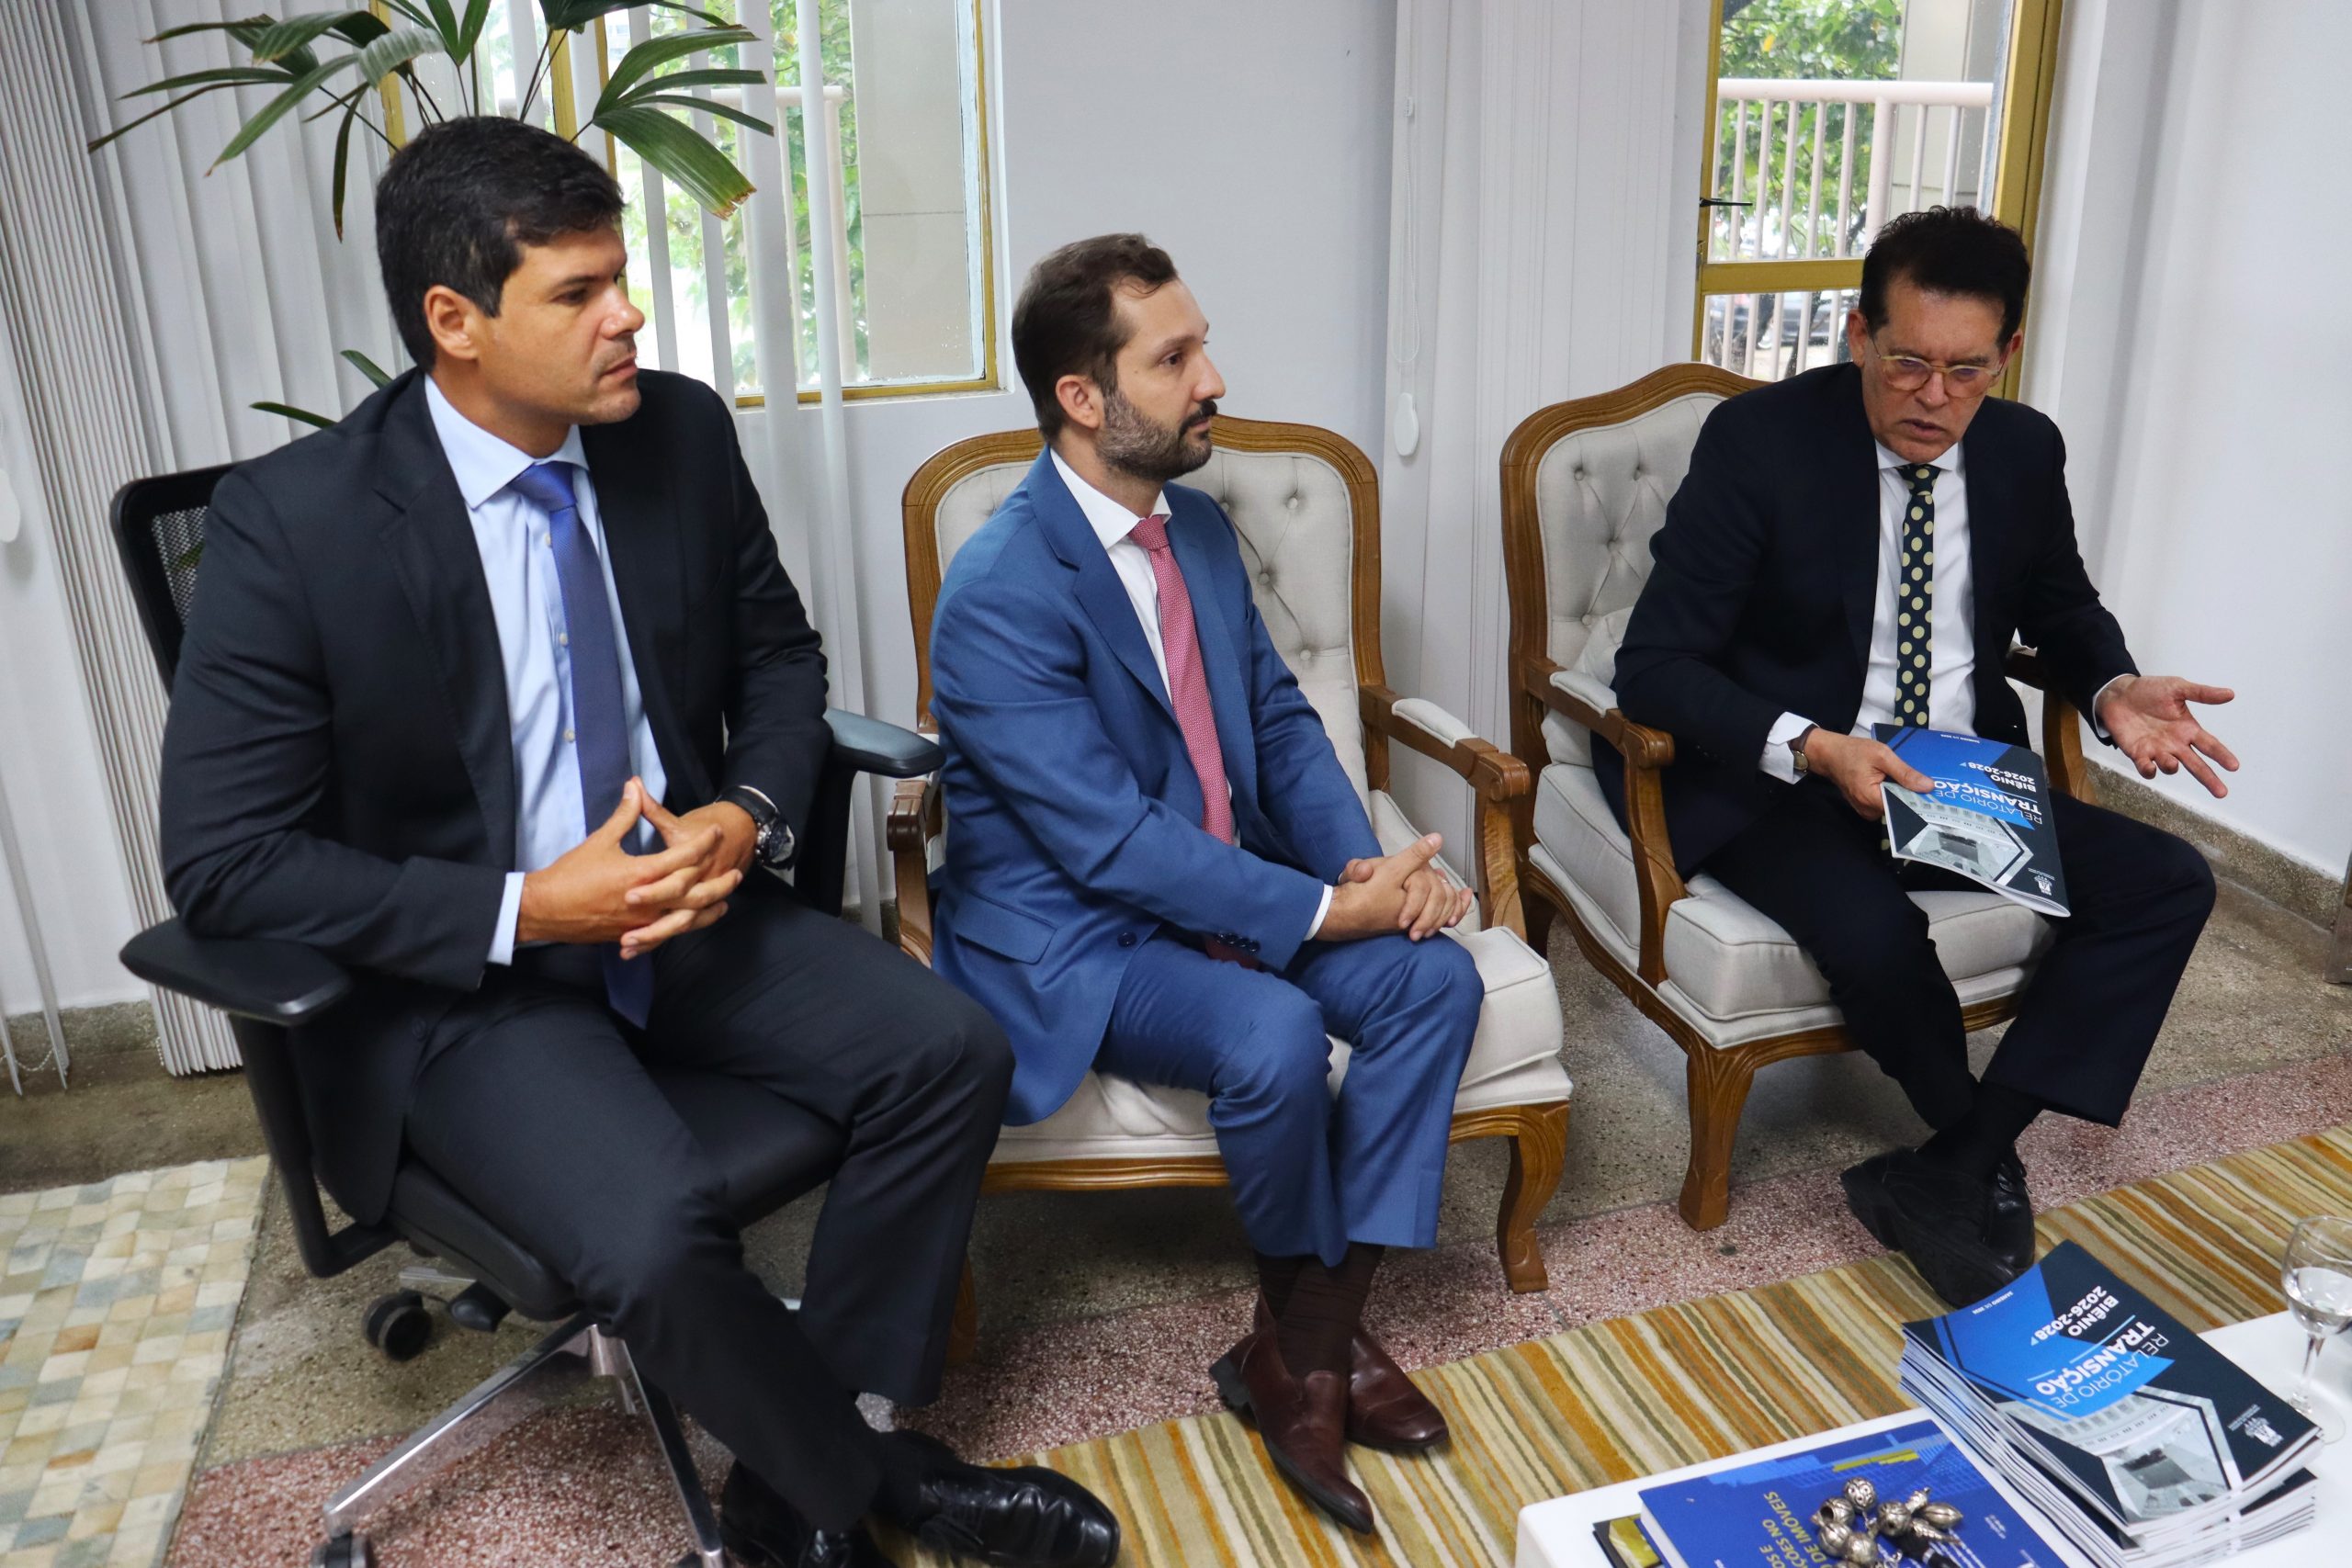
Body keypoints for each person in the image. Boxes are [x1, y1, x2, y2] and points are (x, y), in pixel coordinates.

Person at [158, 117, 1116, 1568]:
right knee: (660, 1233)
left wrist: (745, 814)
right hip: (470, 986)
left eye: (623, 276)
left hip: (687, 916)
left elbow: (780, 659)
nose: (630, 315)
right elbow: (226, 862)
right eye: (580, 290)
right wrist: (528, 906)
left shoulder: (675, 432)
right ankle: (872, 1483)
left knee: (951, 1052)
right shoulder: (297, 526)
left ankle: (789, 1479)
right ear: (455, 321)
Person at [926, 233, 1486, 1534]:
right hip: (1087, 932)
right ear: (1083, 396)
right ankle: (1318, 1354)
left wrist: (1362, 865)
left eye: (1202, 349)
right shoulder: (1000, 588)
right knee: (1274, 1030)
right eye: (1173, 359)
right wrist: (1321, 912)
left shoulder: (1202, 533)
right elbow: (1108, 843)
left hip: (1232, 884)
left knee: (1433, 984)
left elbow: (1279, 725)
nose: (1213, 380)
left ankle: (1301, 1348)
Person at [1603, 206, 2231, 1309]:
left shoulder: (2023, 449)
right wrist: (1814, 748)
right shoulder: (1761, 443)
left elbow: (2061, 608)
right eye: (1905, 363)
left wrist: (2110, 685)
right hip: (1782, 775)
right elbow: (1652, 666)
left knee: (2167, 882)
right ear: (1858, 335)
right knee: (1875, 937)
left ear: (2006, 355)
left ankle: (1957, 1163)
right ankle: (1968, 1152)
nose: (1932, 397)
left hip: (1949, 775)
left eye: (1965, 370)